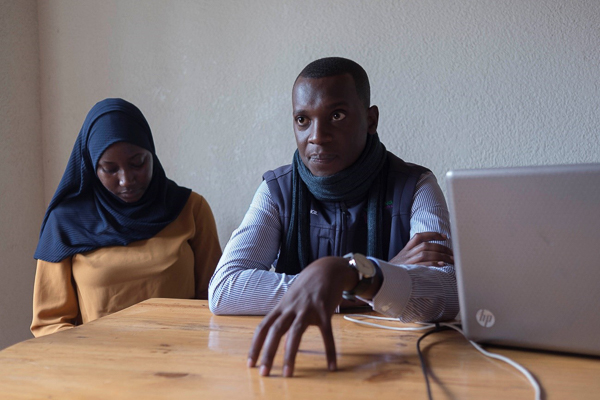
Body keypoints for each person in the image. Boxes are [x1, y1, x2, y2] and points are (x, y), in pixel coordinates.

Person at [208, 57, 458, 376]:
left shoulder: (416, 186)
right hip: (300, 362)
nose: (317, 136)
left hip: (398, 367)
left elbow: (450, 291)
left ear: (370, 120)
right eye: (302, 119)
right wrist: (360, 280)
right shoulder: (277, 190)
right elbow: (225, 290)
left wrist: (346, 274)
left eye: (336, 115)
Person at [31, 98, 221, 337]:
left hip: (181, 360)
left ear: (152, 153)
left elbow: (216, 299)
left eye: (137, 163)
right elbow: (49, 323)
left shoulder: (190, 209)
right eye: (110, 169)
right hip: (99, 366)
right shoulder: (64, 224)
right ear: (91, 166)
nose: (126, 180)